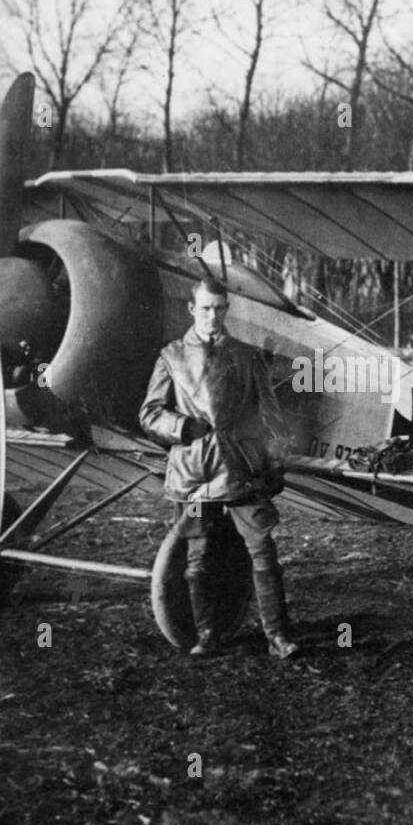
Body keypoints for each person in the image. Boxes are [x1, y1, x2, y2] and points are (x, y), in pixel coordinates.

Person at [138, 276, 300, 659]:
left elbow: (271, 417)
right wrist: (181, 427)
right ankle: (208, 633)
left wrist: (276, 463)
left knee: (262, 548)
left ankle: (277, 636)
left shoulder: (247, 355)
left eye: (220, 308)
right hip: (194, 471)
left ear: (226, 310)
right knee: (197, 554)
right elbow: (149, 414)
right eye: (206, 308)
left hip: (241, 467)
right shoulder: (171, 356)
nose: (213, 315)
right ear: (192, 309)